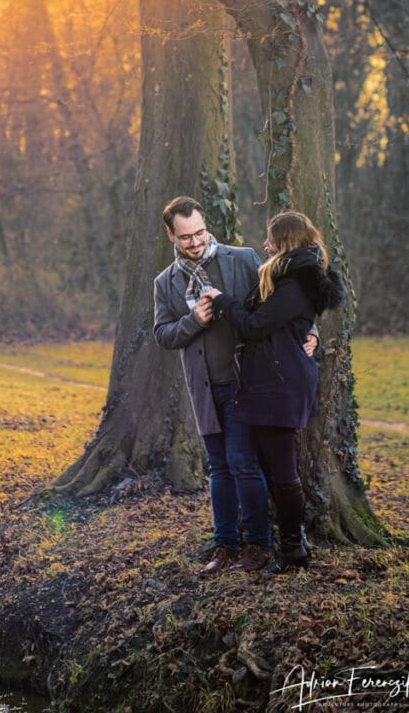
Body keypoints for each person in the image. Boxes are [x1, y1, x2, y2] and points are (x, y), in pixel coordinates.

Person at [153, 197, 318, 575]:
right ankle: (224, 545)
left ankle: (258, 545)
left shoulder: (242, 259)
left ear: (206, 225)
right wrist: (193, 320)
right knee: (218, 469)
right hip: (205, 388)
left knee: (245, 466)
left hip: (247, 385)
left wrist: (312, 332)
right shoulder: (166, 282)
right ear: (171, 235)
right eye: (185, 238)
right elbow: (163, 334)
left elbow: (291, 298)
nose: (194, 243)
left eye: (199, 233)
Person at [205, 210, 345, 573]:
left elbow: (255, 325)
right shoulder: (288, 278)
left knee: (283, 473)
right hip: (269, 384)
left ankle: (292, 548)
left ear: (285, 241)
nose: (265, 244)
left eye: (270, 238)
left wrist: (222, 301)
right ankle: (288, 543)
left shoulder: (297, 283)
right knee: (272, 468)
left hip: (279, 387)